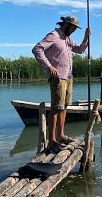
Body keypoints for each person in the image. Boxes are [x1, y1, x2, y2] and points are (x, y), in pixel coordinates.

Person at [32, 15, 90, 151]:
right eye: (73, 28)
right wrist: (48, 66)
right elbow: (37, 49)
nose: (74, 30)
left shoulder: (67, 38)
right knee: (56, 108)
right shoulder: (54, 35)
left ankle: (60, 135)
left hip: (68, 77)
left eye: (76, 29)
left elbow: (80, 50)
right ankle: (51, 141)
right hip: (58, 77)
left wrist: (86, 37)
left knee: (64, 107)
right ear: (66, 24)